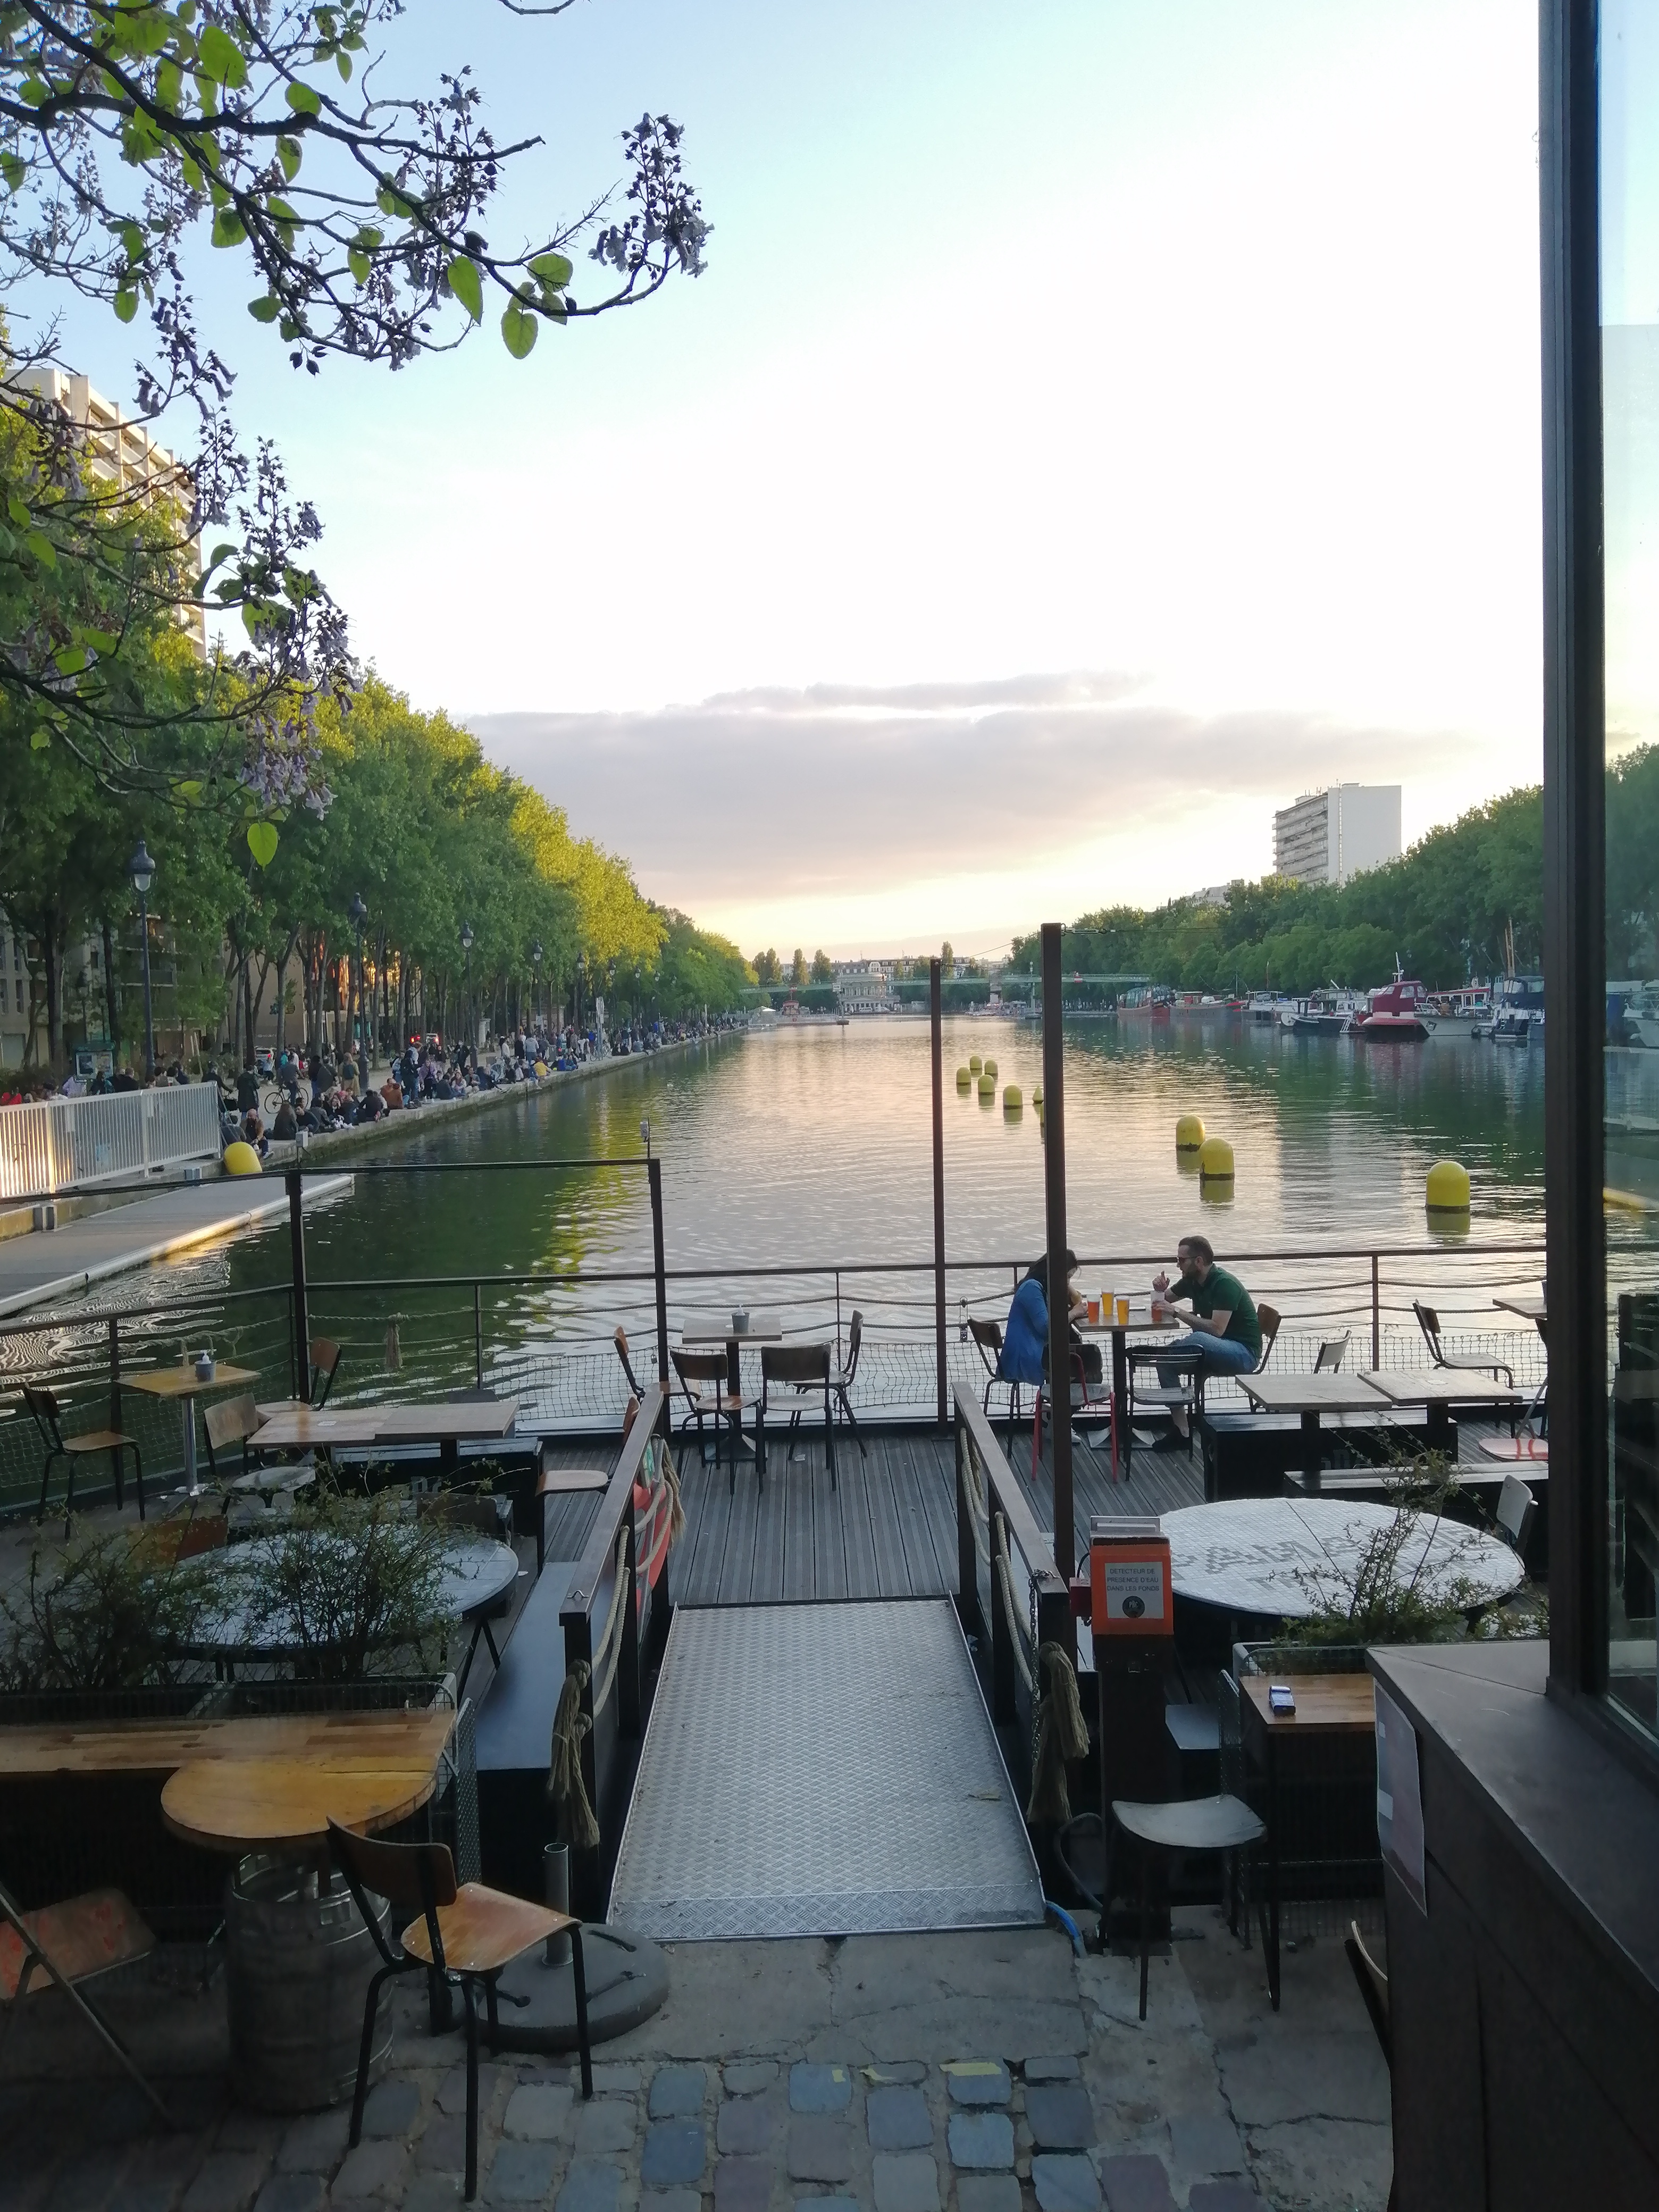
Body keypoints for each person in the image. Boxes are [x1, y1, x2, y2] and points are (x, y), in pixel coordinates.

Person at [1151, 1234, 1262, 1439]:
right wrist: (1160, 1290)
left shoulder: (1224, 1284)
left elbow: (1217, 1330)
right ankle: (1182, 1432)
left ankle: (1168, 1351)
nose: (1178, 1265)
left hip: (1244, 1353)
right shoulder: (1192, 1281)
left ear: (1199, 1261)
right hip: (1214, 1349)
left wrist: (1177, 1312)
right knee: (1164, 1361)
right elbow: (1165, 1300)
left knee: (1199, 1339)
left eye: (1181, 1260)